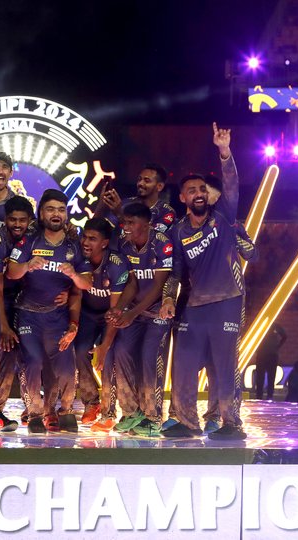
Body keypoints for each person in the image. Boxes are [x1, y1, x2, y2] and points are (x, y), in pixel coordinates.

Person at [160, 123, 247, 440]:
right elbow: (174, 271)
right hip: (194, 306)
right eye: (192, 190)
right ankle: (186, 421)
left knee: (224, 366)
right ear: (183, 197)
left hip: (226, 301)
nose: (199, 193)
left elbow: (233, 184)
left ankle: (231, 423)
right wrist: (169, 298)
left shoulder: (222, 214)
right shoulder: (178, 232)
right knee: (182, 364)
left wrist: (224, 152)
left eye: (202, 189)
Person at [7, 189, 89, 433]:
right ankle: (34, 413)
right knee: (32, 362)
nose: (56, 214)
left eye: (61, 210)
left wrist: (74, 275)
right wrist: (26, 265)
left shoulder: (74, 246)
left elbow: (86, 285)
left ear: (66, 214)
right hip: (28, 314)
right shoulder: (29, 241)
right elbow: (11, 273)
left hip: (57, 316)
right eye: (51, 209)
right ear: (41, 213)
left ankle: (64, 411)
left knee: (64, 365)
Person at [105, 203, 173, 437]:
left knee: (149, 359)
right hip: (135, 311)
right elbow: (132, 283)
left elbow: (158, 286)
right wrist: (120, 309)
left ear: (147, 224)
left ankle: (153, 417)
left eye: (132, 223)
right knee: (121, 352)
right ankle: (132, 413)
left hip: (158, 313)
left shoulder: (161, 242)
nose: (126, 227)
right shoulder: (125, 245)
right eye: (125, 222)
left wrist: (130, 314)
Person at [0, 196, 37, 432]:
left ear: (30, 221)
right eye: (12, 219)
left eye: (22, 220)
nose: (17, 224)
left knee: (13, 354)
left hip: (19, 302)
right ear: (5, 220)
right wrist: (2, 325)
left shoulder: (33, 238)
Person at [72, 218, 129, 430]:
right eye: (84, 237)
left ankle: (109, 413)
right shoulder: (78, 256)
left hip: (109, 315)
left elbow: (115, 312)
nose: (86, 242)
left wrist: (104, 346)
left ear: (104, 243)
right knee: (79, 351)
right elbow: (75, 293)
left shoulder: (116, 264)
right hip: (87, 313)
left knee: (107, 358)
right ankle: (91, 403)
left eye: (92, 239)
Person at [96, 163, 175, 240]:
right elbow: (98, 231)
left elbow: (149, 240)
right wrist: (101, 206)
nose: (140, 183)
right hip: (117, 252)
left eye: (146, 181)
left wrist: (120, 215)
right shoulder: (125, 204)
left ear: (159, 186)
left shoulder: (166, 212)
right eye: (139, 179)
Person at [254, 324, 287, 400]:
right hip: (261, 354)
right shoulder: (260, 324)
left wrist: (277, 347)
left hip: (272, 354)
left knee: (271, 376)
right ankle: (259, 396)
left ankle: (269, 395)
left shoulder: (275, 326)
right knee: (260, 376)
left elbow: (285, 336)